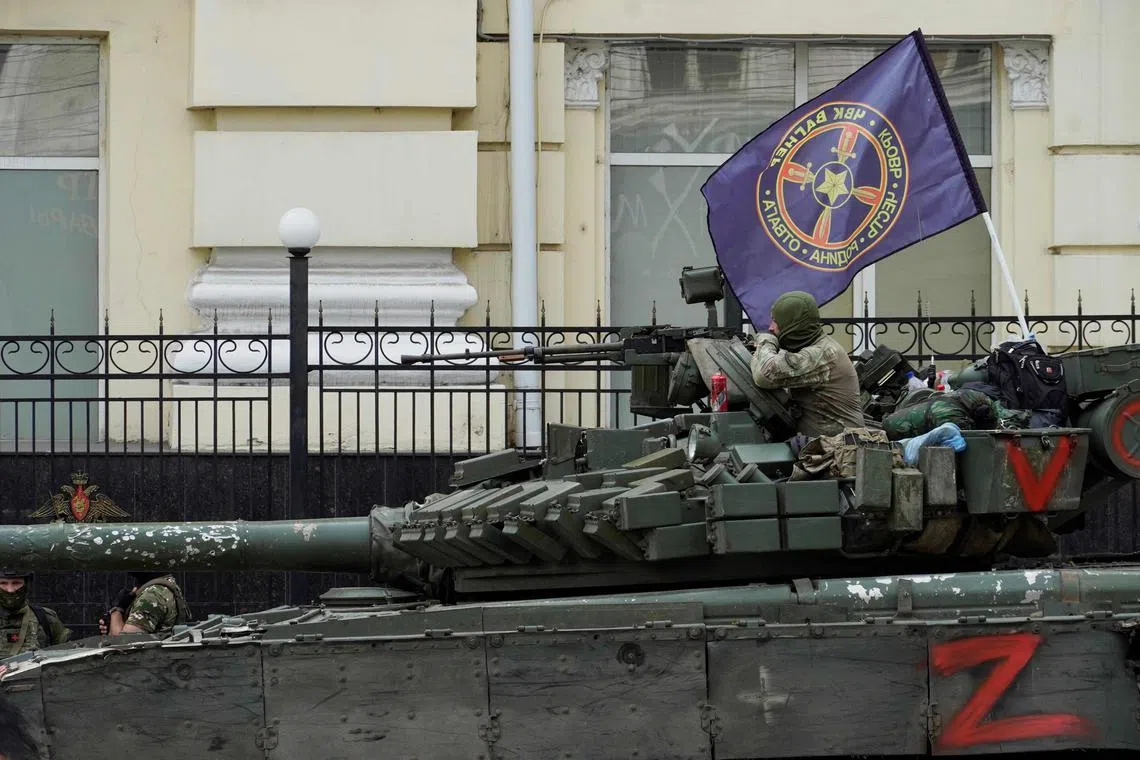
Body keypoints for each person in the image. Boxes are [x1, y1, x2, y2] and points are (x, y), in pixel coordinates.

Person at [750, 290, 865, 437]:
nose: (771, 327)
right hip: (822, 446)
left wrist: (766, 341)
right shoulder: (810, 348)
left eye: (776, 321)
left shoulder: (823, 354)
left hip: (839, 451)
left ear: (794, 325)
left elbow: (765, 375)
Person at [0, 569, 69, 657]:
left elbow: (67, 656)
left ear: (26, 585)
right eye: (3, 583)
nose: (10, 590)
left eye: (16, 583)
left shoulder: (45, 617)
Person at [101, 571, 191, 636]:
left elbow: (122, 645)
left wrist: (117, 610)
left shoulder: (152, 595)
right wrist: (114, 625)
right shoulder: (166, 583)